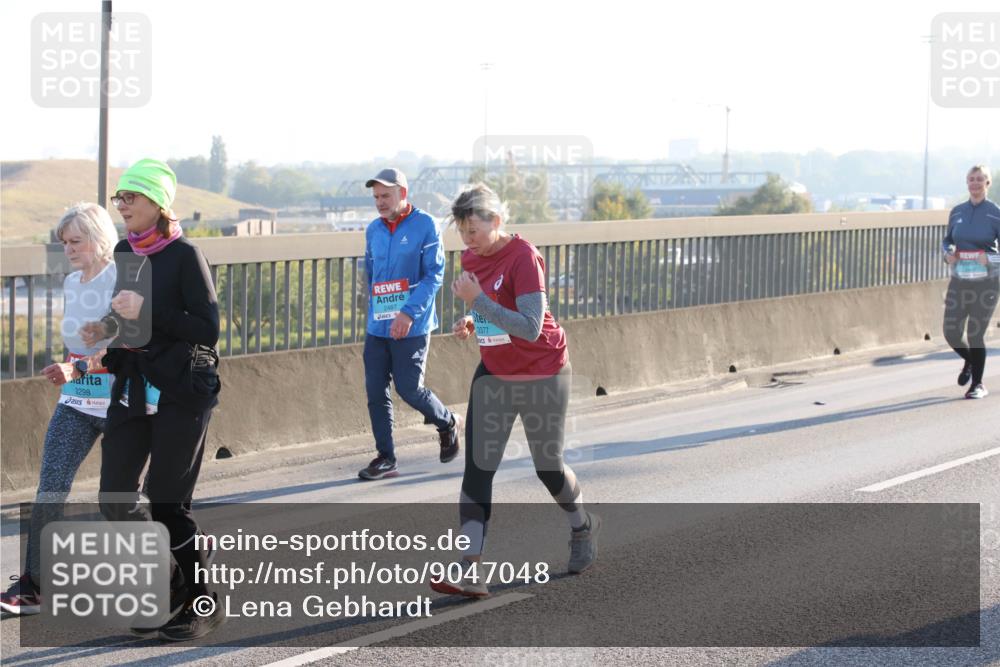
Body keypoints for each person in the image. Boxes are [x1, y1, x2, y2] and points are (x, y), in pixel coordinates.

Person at [430, 183, 599, 599]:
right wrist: (473, 320)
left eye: (474, 230)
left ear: (497, 221)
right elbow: (486, 305)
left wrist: (479, 301)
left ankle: (582, 526)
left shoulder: (524, 256)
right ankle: (469, 568)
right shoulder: (472, 256)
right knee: (477, 469)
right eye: (462, 232)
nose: (468, 241)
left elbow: (528, 325)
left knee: (548, 467)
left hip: (542, 371)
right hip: (495, 373)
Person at [86, 159, 225, 641]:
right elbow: (128, 318)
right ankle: (168, 588)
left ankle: (200, 602)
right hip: (132, 388)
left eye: (131, 198)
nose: (121, 207)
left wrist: (148, 309)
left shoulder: (186, 255)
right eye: (119, 198)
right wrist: (105, 335)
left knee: (167, 504)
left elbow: (206, 329)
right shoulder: (127, 250)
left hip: (181, 391)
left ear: (158, 204)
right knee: (116, 498)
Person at [0, 204, 118, 616]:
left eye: (76, 241)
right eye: (63, 242)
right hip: (77, 398)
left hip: (123, 401)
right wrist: (70, 367)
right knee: (50, 486)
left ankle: (185, 548)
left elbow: (127, 343)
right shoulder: (71, 282)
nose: (67, 249)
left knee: (124, 499)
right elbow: (79, 342)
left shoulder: (124, 277)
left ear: (99, 238)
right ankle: (34, 585)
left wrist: (82, 364)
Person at [358, 168, 461, 480]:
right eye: (376, 197)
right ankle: (386, 456)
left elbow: (434, 275)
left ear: (403, 193)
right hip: (378, 326)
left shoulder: (426, 225)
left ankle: (446, 422)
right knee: (375, 390)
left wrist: (408, 313)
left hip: (412, 324)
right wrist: (373, 305)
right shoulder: (374, 229)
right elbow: (371, 273)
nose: (380, 202)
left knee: (408, 388)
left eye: (385, 195)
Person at [942, 164, 1000, 399]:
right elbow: (947, 241)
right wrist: (948, 253)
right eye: (971, 179)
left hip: (987, 282)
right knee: (951, 333)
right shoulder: (957, 212)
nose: (975, 183)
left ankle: (978, 384)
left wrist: (991, 257)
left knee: (975, 334)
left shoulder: (995, 213)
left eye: (980, 179)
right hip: (960, 281)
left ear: (988, 184)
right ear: (967, 183)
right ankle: (970, 361)